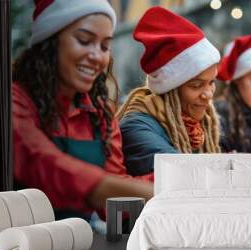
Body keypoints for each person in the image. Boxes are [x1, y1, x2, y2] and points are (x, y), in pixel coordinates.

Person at [12, 0, 153, 220]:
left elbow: (112, 205)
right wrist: (151, 193)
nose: (97, 56)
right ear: (50, 40)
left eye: (104, 46)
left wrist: (175, 181)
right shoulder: (13, 100)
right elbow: (37, 160)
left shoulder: (100, 114)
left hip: (77, 244)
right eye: (84, 40)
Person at [117, 6, 221, 177]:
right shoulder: (136, 127)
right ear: (171, 88)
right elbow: (185, 176)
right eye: (196, 85)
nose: (208, 94)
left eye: (212, 83)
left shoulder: (197, 123)